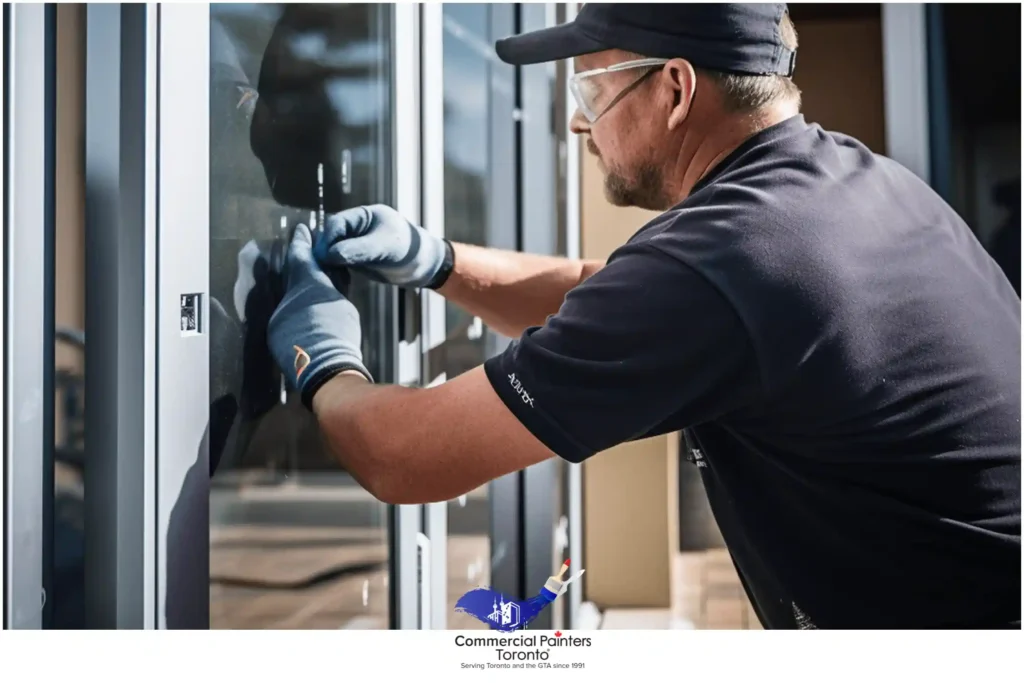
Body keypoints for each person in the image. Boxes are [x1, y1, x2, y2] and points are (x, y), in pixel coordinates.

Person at [265, 4, 1021, 629]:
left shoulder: (727, 260)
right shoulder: (853, 182)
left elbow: (404, 454)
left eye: (591, 93)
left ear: (676, 89)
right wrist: (440, 262)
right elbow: (616, 294)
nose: (578, 126)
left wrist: (320, 355)